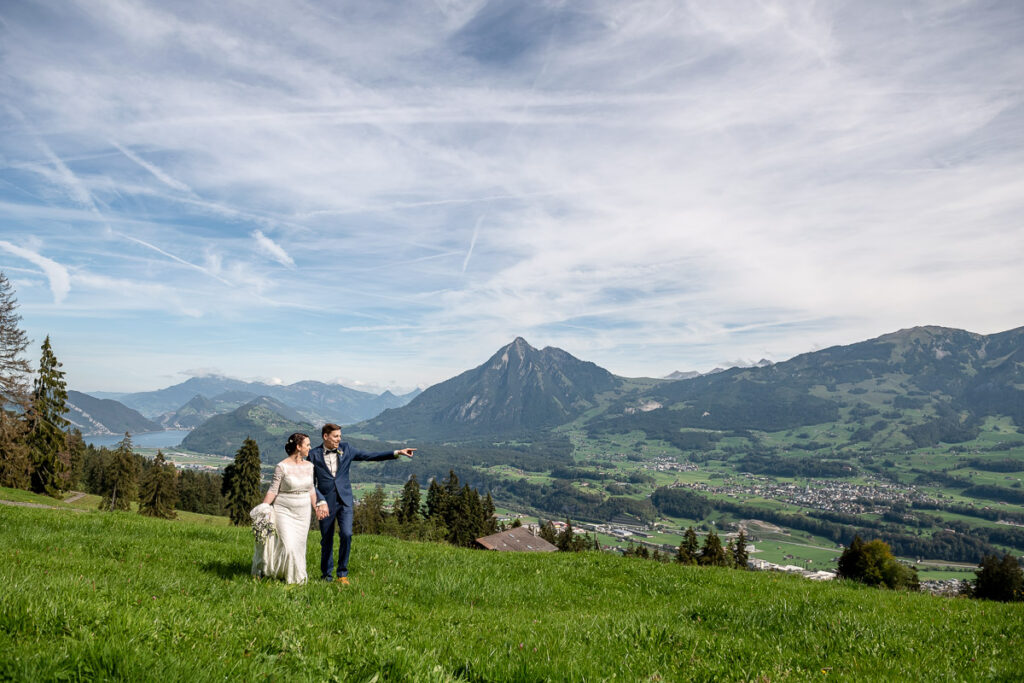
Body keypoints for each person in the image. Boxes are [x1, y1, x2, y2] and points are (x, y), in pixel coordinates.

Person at [310, 423, 415, 584]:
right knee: (327, 540)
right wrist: (320, 500)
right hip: (325, 503)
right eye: (336, 436)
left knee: (347, 534)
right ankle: (326, 576)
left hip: (345, 501)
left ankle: (342, 574)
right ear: (326, 436)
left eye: (340, 436)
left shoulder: (347, 449)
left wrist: (397, 452)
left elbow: (370, 455)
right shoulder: (313, 454)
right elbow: (310, 483)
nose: (339, 439)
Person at [257, 432, 317, 584]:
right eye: (307, 445)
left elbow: (311, 489)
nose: (310, 448)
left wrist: (316, 507)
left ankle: (294, 577)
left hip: (303, 511)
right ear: (298, 447)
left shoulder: (310, 466)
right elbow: (273, 490)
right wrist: (263, 508)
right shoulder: (281, 467)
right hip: (284, 509)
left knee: (299, 546)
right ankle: (281, 574)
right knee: (288, 545)